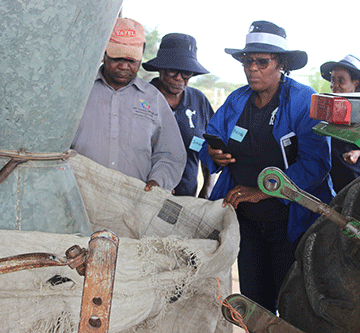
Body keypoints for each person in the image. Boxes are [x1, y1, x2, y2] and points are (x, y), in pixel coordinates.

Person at [199, 20, 335, 313]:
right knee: (253, 300)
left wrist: (263, 191)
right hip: (245, 222)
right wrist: (213, 154)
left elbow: (316, 164)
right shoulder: (237, 100)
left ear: (282, 64)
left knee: (292, 301)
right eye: (247, 61)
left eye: (262, 62)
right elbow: (205, 141)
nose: (252, 69)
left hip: (290, 222)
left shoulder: (304, 101)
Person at [71, 18, 186, 192]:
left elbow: (170, 154)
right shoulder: (79, 91)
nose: (124, 66)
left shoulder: (153, 98)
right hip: (80, 196)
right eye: (117, 58)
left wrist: (157, 181)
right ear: (104, 53)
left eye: (132, 61)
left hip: (133, 202)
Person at [142, 33, 215, 198]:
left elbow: (210, 147)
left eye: (186, 73)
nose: (179, 78)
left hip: (186, 199)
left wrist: (207, 187)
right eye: (173, 71)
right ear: (160, 68)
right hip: (145, 195)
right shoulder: (141, 98)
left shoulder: (198, 101)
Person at [320, 54, 360, 193]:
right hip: (335, 182)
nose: (334, 85)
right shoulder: (330, 109)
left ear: (356, 83)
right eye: (332, 80)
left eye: (341, 81)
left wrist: (358, 152)